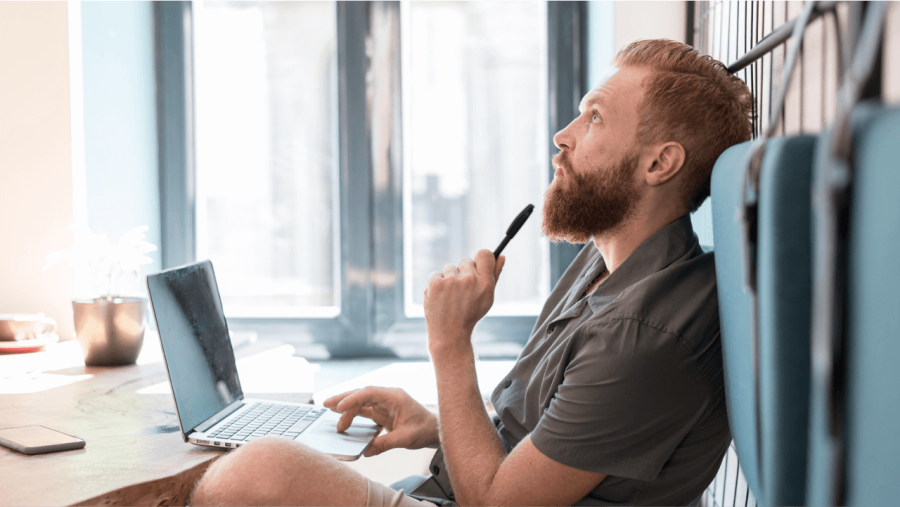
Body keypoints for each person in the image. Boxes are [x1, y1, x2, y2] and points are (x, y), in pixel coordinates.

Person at [191, 39, 752, 507]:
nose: (564, 135)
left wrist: (450, 344)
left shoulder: (644, 337)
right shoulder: (602, 265)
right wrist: (437, 424)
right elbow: (540, 439)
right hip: (453, 491)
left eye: (596, 117)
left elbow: (499, 502)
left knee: (256, 473)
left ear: (659, 163)